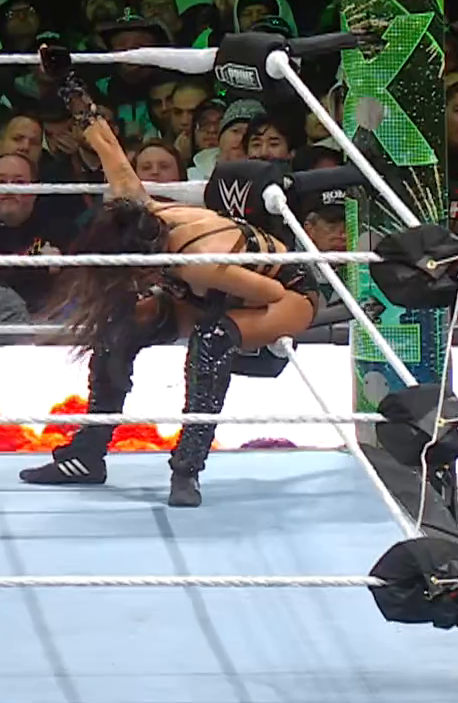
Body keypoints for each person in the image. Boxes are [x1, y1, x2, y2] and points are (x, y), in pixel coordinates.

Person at [22, 110, 316, 508]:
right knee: (120, 326)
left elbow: (271, 292)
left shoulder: (199, 261)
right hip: (204, 290)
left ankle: (187, 469)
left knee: (212, 339)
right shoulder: (142, 213)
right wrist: (78, 104)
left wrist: (235, 330)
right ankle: (87, 454)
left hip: (287, 292)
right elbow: (112, 155)